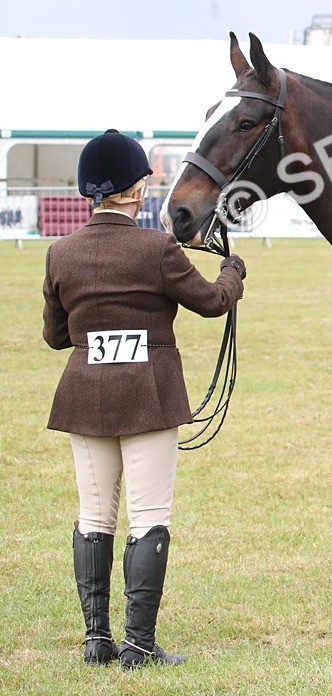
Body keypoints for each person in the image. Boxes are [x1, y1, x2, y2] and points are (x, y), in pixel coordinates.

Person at [43, 130, 245, 669]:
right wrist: (233, 271)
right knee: (148, 516)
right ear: (136, 190)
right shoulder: (157, 249)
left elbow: (55, 336)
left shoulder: (61, 253)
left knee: (94, 515)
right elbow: (212, 303)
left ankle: (95, 640)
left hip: (85, 396)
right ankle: (137, 643)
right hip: (149, 397)